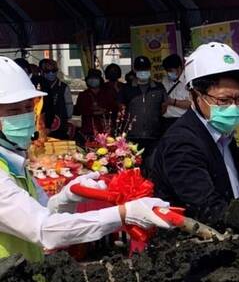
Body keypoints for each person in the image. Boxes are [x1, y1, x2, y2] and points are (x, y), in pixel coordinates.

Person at [0, 57, 172, 263]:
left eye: (28, 108)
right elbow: (46, 230)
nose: (25, 116)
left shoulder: (14, 162)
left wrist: (66, 199)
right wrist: (123, 214)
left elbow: (45, 212)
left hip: (22, 281)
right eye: (13, 111)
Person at [150, 42, 239, 225]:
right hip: (191, 246)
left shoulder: (224, 136)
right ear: (195, 95)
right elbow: (207, 207)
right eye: (223, 100)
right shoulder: (181, 143)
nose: (233, 108)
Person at [118, 56, 167, 160]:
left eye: (145, 69)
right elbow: (121, 108)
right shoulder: (127, 88)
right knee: (133, 166)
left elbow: (163, 108)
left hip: (154, 135)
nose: (143, 72)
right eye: (140, 69)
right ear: (135, 70)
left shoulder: (158, 87)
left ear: (150, 69)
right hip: (132, 136)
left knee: (152, 166)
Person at [74, 68, 117, 141]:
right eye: (91, 78)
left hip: (105, 131)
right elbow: (80, 110)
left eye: (95, 78)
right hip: (88, 131)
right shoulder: (83, 95)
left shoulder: (107, 94)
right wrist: (95, 112)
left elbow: (114, 109)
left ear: (100, 80)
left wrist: (104, 111)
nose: (93, 80)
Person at [39, 58, 74, 140]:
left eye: (54, 70)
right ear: (42, 72)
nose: (51, 73)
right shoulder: (38, 86)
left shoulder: (63, 87)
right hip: (42, 124)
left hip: (60, 124)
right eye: (47, 71)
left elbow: (69, 105)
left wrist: (67, 119)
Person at [161, 54, 191, 133]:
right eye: (167, 71)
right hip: (166, 122)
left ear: (179, 68)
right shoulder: (165, 80)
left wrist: (172, 101)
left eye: (171, 70)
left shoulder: (188, 80)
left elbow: (191, 104)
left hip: (183, 121)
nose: (168, 73)